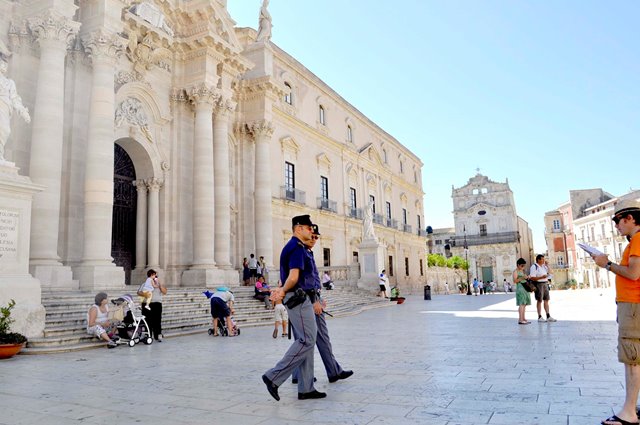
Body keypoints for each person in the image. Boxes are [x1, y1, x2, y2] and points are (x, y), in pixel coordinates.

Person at [262, 214, 326, 401]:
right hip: (298, 299)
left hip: (300, 297)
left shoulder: (296, 247)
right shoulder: (297, 248)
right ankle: (273, 376)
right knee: (307, 340)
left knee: (308, 340)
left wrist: (282, 290)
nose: (311, 231)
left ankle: (306, 387)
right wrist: (282, 290)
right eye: (308, 228)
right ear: (298, 228)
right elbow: (293, 277)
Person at [593, 200, 640, 425]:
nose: (616, 227)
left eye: (617, 221)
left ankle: (628, 413)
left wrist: (607, 264)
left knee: (632, 359)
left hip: (633, 306)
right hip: (632, 306)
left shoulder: (638, 239)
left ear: (629, 218)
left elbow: (633, 274)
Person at [291, 224, 353, 385]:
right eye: (312, 236)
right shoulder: (300, 252)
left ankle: (300, 374)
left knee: (302, 339)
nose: (314, 240)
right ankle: (332, 371)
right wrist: (314, 301)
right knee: (319, 338)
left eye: (316, 237)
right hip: (307, 301)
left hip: (309, 299)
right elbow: (302, 282)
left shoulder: (306, 252)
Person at [0, 57, 31, 162]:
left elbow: (15, 98)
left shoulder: (9, 83)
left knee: (5, 130)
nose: (4, 66)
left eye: (5, 64)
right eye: (1, 64)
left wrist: (22, 111)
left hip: (5, 108)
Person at [529, 254, 557, 322]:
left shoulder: (544, 266)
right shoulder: (534, 266)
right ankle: (539, 316)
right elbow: (532, 277)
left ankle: (548, 316)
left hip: (545, 283)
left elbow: (551, 272)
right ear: (538, 260)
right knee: (539, 300)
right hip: (538, 284)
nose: (544, 260)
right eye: (542, 259)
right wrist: (541, 277)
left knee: (546, 300)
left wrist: (547, 265)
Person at [145, 271, 167, 342]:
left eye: (156, 276)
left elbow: (165, 292)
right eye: (154, 276)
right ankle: (148, 336)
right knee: (148, 321)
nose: (155, 278)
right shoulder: (147, 283)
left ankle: (158, 335)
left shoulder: (160, 284)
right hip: (149, 303)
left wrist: (159, 285)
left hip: (157, 303)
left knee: (157, 320)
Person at [513, 258, 531, 325]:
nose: (523, 267)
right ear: (518, 265)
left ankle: (523, 318)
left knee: (524, 304)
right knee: (521, 304)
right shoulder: (515, 271)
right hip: (520, 288)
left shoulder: (522, 271)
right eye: (522, 265)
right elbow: (515, 281)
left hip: (525, 288)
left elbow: (525, 278)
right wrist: (523, 278)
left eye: (524, 265)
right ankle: (520, 319)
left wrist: (528, 277)